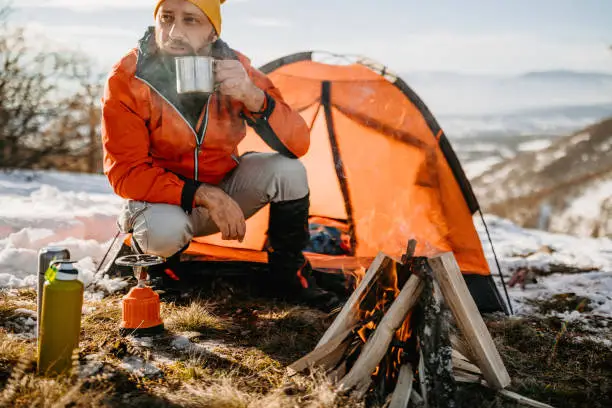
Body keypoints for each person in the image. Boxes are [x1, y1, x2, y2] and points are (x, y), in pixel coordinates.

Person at [101, 0, 339, 310]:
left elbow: (299, 143)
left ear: (213, 33)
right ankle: (162, 272)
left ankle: (287, 277)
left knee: (288, 171)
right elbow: (126, 173)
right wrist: (203, 194)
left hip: (226, 193)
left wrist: (252, 97)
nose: (175, 31)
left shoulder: (235, 67)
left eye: (191, 21)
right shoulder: (128, 79)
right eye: (167, 18)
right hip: (164, 203)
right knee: (163, 231)